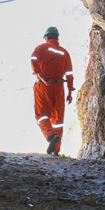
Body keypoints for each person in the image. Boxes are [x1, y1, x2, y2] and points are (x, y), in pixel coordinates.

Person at [30, 26, 74, 155]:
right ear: (57, 38)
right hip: (59, 88)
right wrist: (70, 91)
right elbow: (70, 73)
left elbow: (33, 59)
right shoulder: (64, 52)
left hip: (44, 86)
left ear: (47, 37)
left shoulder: (41, 48)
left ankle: (50, 136)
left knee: (41, 115)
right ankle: (56, 150)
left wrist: (41, 75)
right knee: (58, 121)